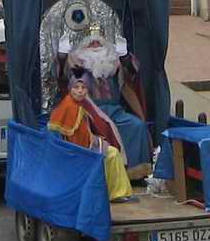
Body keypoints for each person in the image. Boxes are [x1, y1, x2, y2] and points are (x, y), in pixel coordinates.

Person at [59, 31, 152, 178]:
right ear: (84, 49)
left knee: (136, 126)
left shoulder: (113, 64)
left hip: (116, 112)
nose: (96, 47)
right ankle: (101, 174)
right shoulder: (76, 64)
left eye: (99, 43)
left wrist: (125, 56)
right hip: (90, 113)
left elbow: (133, 73)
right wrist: (63, 55)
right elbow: (62, 75)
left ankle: (134, 173)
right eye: (91, 44)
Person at [49, 69, 132, 202]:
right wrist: (96, 143)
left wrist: (97, 139)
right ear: (70, 89)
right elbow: (73, 138)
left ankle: (115, 193)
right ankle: (113, 193)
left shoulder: (81, 104)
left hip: (85, 145)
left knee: (112, 152)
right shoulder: (69, 106)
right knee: (111, 154)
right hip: (77, 151)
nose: (80, 91)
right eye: (76, 87)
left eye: (83, 88)